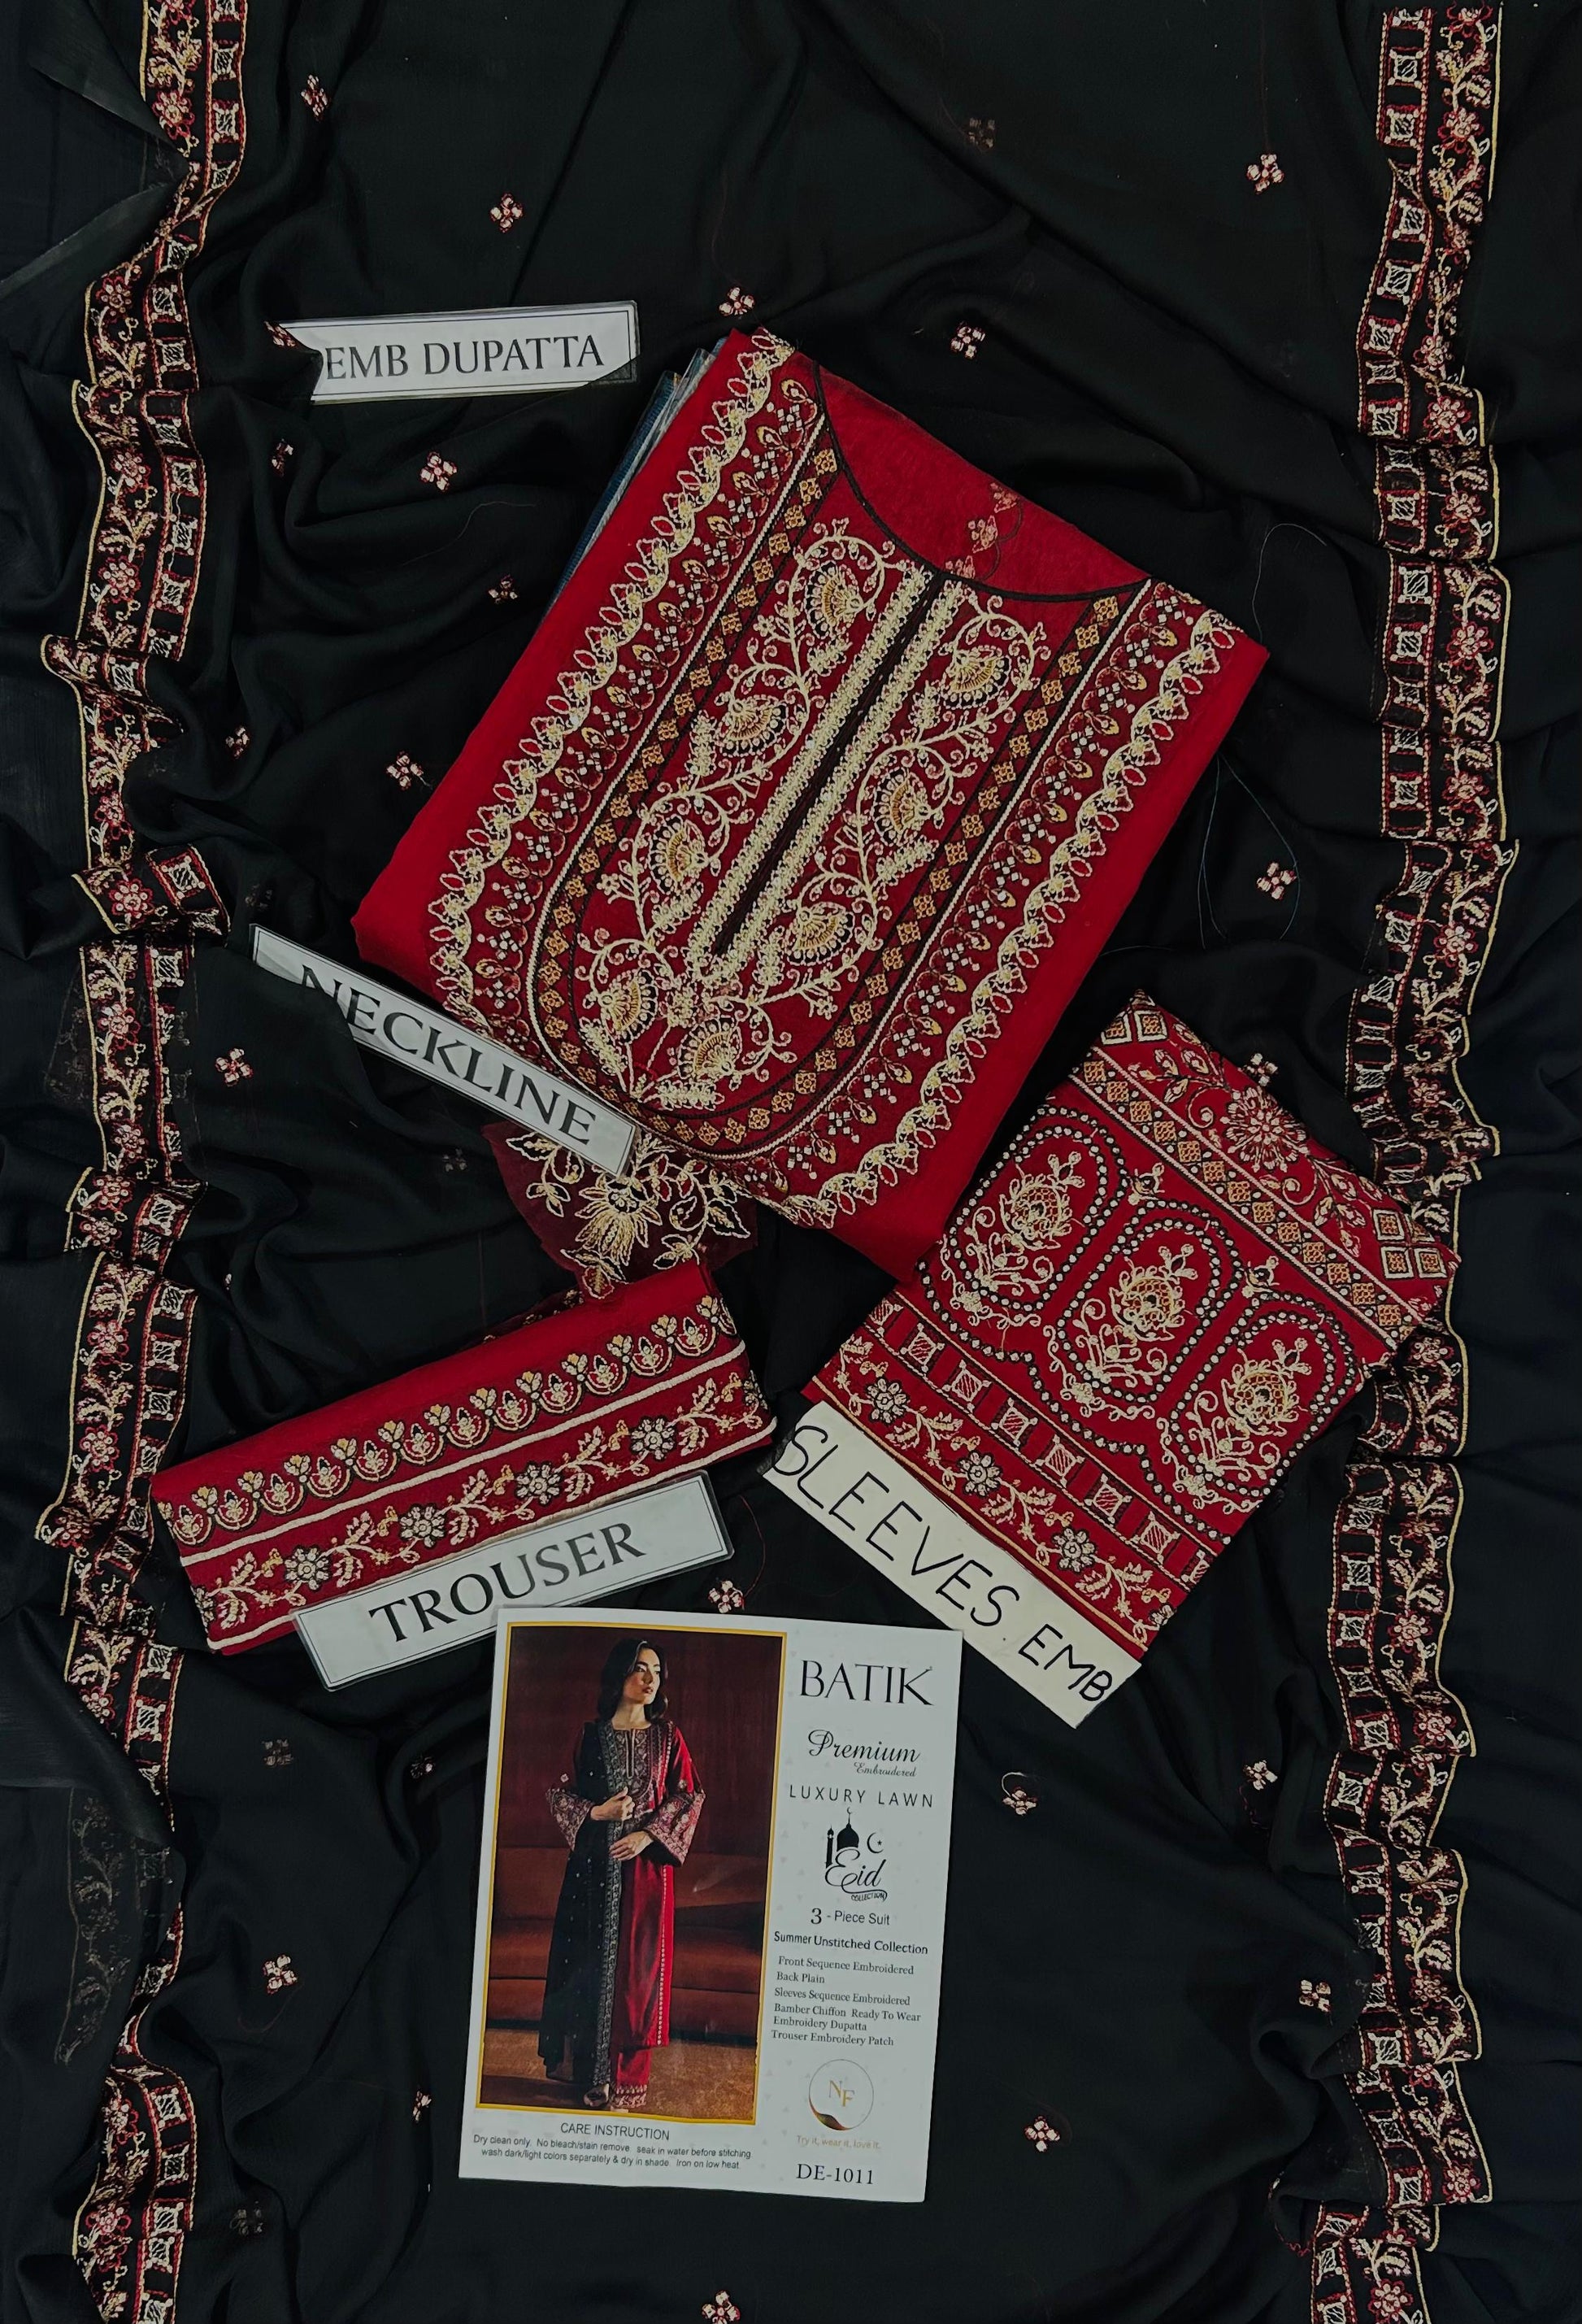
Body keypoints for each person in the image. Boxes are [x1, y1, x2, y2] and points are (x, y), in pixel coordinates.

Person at [539, 1638, 704, 2109]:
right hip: (591, 1870)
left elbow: (689, 1794)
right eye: (640, 1668)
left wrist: (648, 1836)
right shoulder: (589, 1736)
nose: (650, 1679)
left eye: (657, 1671)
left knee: (637, 1975)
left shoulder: (668, 1737)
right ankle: (592, 2076)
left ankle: (627, 2081)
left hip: (646, 1874)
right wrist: (599, 1812)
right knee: (588, 1965)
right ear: (619, 1674)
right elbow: (558, 1794)